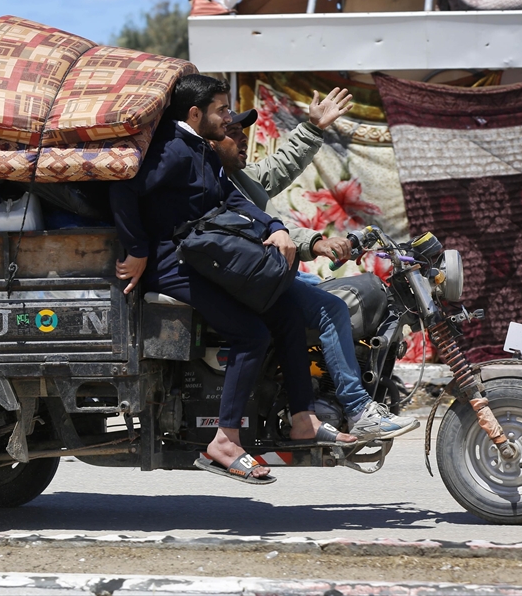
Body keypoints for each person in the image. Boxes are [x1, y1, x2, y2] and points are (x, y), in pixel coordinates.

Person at [111, 75, 356, 485]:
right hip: (173, 263)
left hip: (203, 258)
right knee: (250, 336)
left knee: (287, 312)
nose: (229, 118)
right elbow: (124, 191)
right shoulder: (172, 150)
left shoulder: (200, 150)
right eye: (222, 110)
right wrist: (137, 250)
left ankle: (303, 419)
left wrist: (275, 225)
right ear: (195, 114)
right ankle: (225, 441)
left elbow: (233, 197)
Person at [212, 92, 418, 440]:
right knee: (332, 310)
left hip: (262, 274)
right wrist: (317, 242)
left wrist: (313, 127)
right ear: (211, 139)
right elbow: (256, 226)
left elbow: (278, 167)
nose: (243, 138)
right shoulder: (212, 182)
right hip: (242, 281)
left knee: (352, 292)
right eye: (233, 131)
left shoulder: (237, 178)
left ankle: (322, 399)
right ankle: (357, 409)